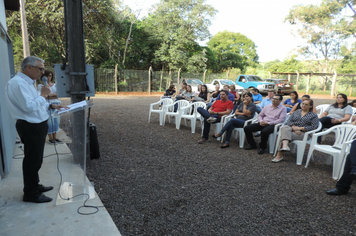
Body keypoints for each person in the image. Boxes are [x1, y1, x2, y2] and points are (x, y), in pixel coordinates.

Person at [5, 56, 68, 203]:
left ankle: (35, 185)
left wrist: (51, 106)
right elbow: (29, 107)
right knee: (32, 161)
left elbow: (36, 104)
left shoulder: (28, 83)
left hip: (37, 125)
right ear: (29, 68)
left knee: (36, 159)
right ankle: (30, 193)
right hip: (30, 126)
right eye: (40, 69)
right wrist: (43, 95)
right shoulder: (18, 84)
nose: (43, 72)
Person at [37, 70, 63, 144]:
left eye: (50, 76)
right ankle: (50, 138)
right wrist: (52, 95)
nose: (48, 78)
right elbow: (42, 96)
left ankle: (55, 137)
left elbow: (59, 94)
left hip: (56, 105)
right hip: (47, 106)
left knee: (56, 121)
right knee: (49, 122)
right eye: (47, 76)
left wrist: (48, 95)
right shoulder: (40, 86)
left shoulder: (55, 85)